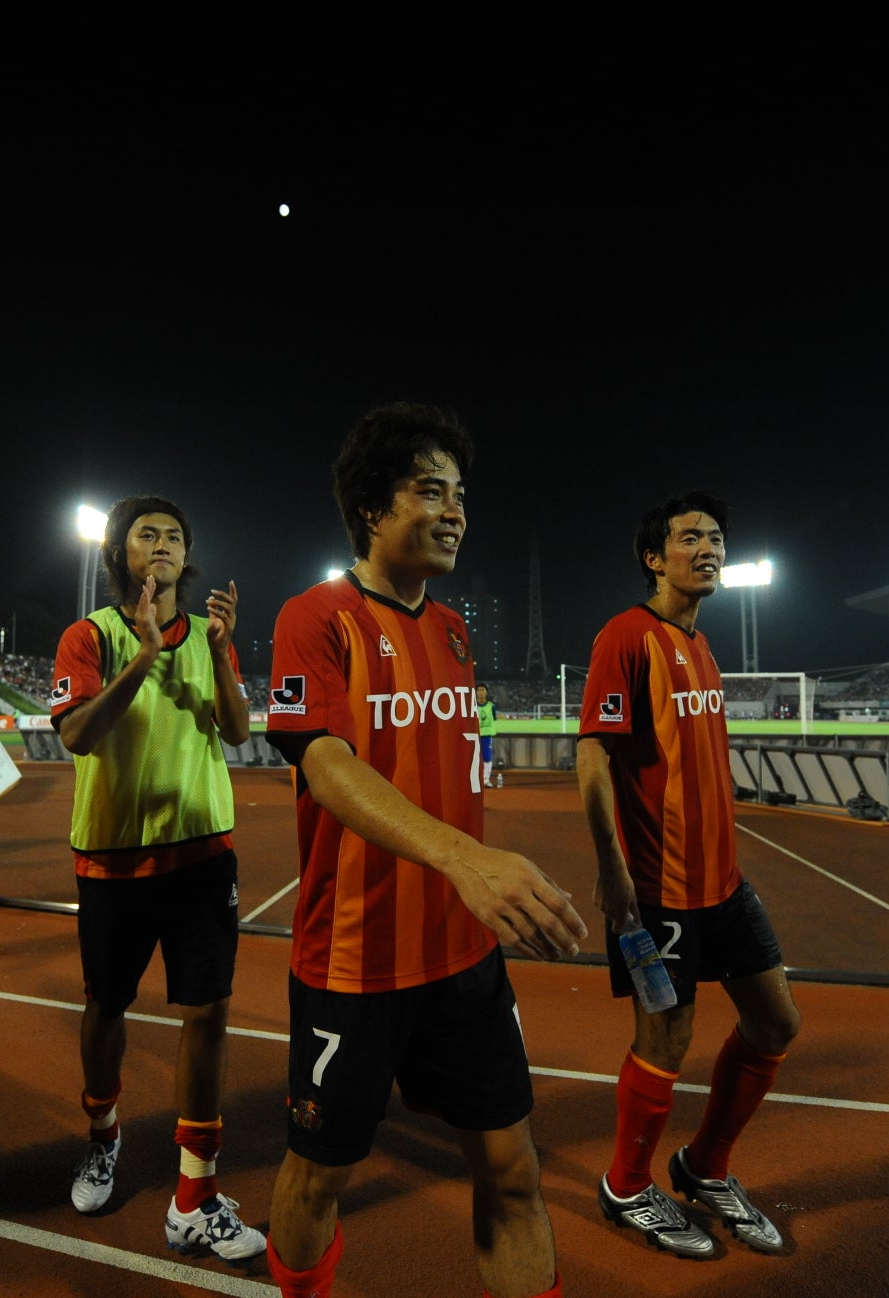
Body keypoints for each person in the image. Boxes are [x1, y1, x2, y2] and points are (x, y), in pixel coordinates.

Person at [263, 403, 588, 1298]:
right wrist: (462, 857)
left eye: (461, 495)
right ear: (373, 507)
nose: (455, 512)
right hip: (353, 960)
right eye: (431, 491)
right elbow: (324, 763)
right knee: (318, 1177)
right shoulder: (314, 617)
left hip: (462, 956)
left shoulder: (452, 630)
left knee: (514, 1171)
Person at [576, 491, 799, 1260]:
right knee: (665, 1042)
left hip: (724, 884)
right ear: (653, 556)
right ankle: (627, 1185)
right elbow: (593, 753)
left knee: (776, 1023)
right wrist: (611, 866)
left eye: (716, 538)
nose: (708, 548)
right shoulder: (626, 636)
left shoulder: (700, 645)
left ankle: (704, 1166)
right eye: (689, 537)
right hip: (658, 892)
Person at [48, 494, 264, 1263]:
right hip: (112, 859)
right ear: (120, 552)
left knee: (207, 1013)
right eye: (148, 534)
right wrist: (142, 658)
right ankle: (103, 1133)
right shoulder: (90, 636)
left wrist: (226, 654)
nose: (164, 544)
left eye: (175, 535)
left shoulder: (208, 636)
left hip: (202, 855)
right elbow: (77, 734)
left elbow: (238, 730)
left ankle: (195, 1196)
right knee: (106, 1006)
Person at [478, 683, 502, 787]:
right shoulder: (472, 706)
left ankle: (486, 780)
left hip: (487, 735)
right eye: (479, 690)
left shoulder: (491, 706)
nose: (481, 692)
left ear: (486, 692)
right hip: (474, 736)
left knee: (487, 758)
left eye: (483, 690)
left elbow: (494, 719)